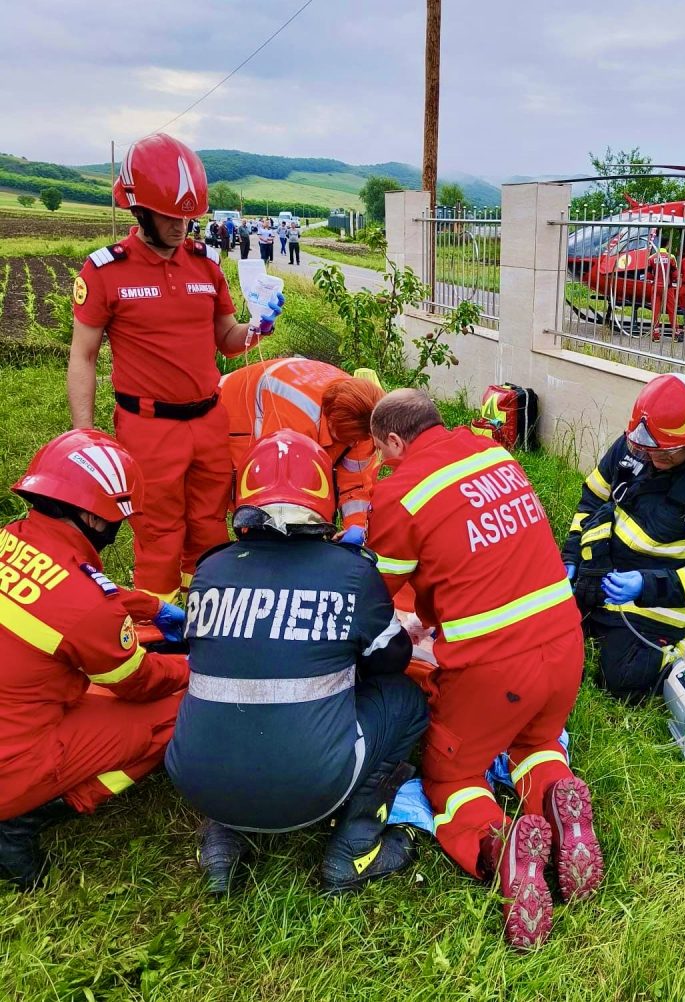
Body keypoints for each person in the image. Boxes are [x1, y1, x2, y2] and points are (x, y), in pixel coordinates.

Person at [367, 389, 603, 950]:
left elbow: (374, 597)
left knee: (453, 775)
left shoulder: (401, 491)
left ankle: (498, 847)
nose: (380, 462)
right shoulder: (492, 453)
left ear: (396, 440)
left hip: (492, 669)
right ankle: (559, 797)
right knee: (536, 741)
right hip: (565, 643)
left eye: (381, 451)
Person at [165, 430, 428, 895]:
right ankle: (354, 848)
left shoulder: (210, 570)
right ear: (323, 501)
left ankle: (223, 836)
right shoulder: (350, 572)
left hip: (197, 778)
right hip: (309, 785)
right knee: (405, 699)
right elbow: (393, 659)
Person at [68, 132, 285, 603]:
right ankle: (161, 632)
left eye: (189, 216)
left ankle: (208, 618)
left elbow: (227, 340)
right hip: (148, 429)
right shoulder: (106, 271)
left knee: (210, 526)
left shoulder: (205, 265)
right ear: (138, 210)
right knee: (160, 536)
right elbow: (82, 356)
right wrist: (83, 440)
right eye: (170, 215)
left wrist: (257, 327)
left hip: (209, 420)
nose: (182, 226)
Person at [0, 430, 189, 890]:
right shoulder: (88, 609)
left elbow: (70, 589)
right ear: (91, 516)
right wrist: (195, 667)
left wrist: (150, 609)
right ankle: (23, 820)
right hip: (13, 762)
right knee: (175, 712)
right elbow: (141, 682)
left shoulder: (10, 539)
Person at [562, 373, 685, 704]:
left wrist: (646, 585)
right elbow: (592, 499)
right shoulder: (634, 448)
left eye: (667, 454)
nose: (654, 459)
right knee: (544, 632)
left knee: (625, 679)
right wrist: (571, 557)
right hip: (600, 576)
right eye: (646, 448)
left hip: (658, 604)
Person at [218, 358, 382, 535]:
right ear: (331, 421)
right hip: (224, 412)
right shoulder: (294, 416)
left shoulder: (365, 419)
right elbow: (273, 490)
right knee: (219, 506)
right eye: (345, 438)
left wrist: (356, 528)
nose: (351, 445)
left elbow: (356, 488)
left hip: (276, 402)